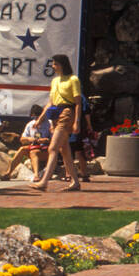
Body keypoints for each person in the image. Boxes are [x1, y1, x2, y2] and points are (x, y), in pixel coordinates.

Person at [30, 53, 84, 192]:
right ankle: (75, 182)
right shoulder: (54, 81)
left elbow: (78, 103)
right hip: (55, 114)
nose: (53, 66)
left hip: (67, 112)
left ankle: (44, 182)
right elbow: (50, 103)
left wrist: (76, 122)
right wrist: (40, 119)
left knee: (52, 148)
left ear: (62, 65)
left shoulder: (73, 80)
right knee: (64, 150)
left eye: (55, 64)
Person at [5, 105, 50, 180]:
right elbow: (22, 139)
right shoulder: (30, 124)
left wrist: (46, 140)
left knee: (33, 152)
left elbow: (55, 139)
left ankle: (36, 175)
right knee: (22, 149)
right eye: (34, 117)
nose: (36, 119)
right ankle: (8, 173)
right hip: (34, 146)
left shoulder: (49, 123)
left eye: (37, 117)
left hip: (46, 150)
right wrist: (31, 139)